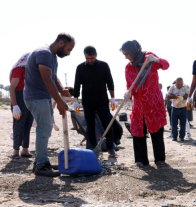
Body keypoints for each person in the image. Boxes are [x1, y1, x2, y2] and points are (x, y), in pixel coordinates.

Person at [24, 33, 75, 177]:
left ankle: (41, 161)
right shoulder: (44, 53)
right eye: (68, 49)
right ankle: (41, 165)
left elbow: (53, 77)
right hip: (36, 97)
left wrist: (62, 91)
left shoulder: (51, 56)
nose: (69, 53)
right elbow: (46, 79)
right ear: (61, 43)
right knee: (44, 129)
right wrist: (59, 102)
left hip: (42, 97)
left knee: (45, 129)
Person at [121, 40, 169, 167]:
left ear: (133, 51)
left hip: (154, 102)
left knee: (156, 129)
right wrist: (128, 93)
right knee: (138, 130)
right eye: (124, 55)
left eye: (127, 54)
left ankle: (159, 159)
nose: (126, 57)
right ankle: (141, 160)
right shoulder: (129, 67)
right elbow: (130, 86)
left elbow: (166, 65)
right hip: (139, 104)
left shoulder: (149, 57)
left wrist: (156, 60)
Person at [73, 46, 117, 157]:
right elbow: (77, 85)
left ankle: (111, 147)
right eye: (87, 58)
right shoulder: (80, 68)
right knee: (90, 125)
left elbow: (110, 83)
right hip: (88, 101)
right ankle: (93, 147)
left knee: (107, 123)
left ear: (96, 55)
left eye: (91, 58)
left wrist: (112, 98)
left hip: (102, 100)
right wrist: (75, 101)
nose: (90, 60)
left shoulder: (104, 65)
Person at [9, 53, 33, 159]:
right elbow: (12, 88)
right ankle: (15, 151)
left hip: (29, 98)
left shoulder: (31, 71)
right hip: (19, 98)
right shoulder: (18, 70)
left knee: (28, 124)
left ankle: (25, 149)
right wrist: (15, 106)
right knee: (19, 125)